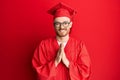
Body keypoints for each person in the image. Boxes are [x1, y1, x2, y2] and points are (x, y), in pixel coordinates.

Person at [32, 2, 91, 80]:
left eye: (65, 23)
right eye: (57, 23)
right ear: (53, 25)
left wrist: (67, 63)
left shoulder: (79, 46)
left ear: (70, 24)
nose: (61, 27)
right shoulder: (43, 45)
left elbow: (86, 73)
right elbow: (38, 72)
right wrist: (55, 61)